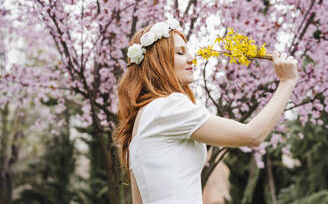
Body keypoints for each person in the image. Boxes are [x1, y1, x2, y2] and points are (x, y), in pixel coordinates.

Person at [112, 18, 299, 204]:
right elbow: (252, 135)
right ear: (157, 62)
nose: (191, 58)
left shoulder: (140, 119)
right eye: (179, 53)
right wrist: (287, 82)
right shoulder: (169, 106)